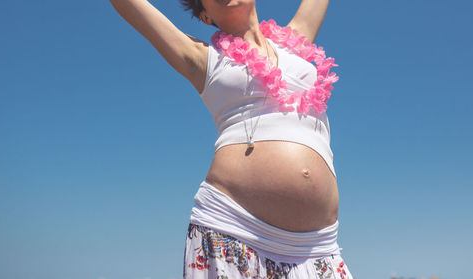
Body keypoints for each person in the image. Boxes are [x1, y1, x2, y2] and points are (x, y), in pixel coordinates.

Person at [109, 0, 353, 278]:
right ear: (204, 15)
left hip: (318, 249)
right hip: (233, 230)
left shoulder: (295, 42)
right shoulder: (201, 57)